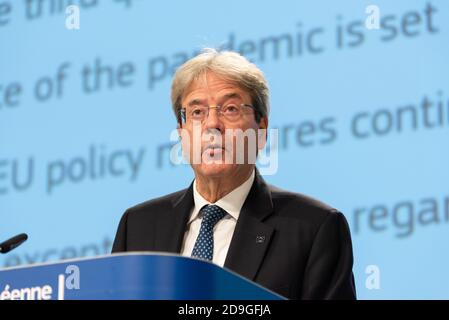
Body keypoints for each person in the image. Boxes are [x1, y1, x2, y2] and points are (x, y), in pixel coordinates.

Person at [112, 48, 356, 299]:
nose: (212, 125)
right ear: (181, 132)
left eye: (230, 109)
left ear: (261, 128)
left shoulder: (314, 228)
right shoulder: (138, 226)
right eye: (197, 112)